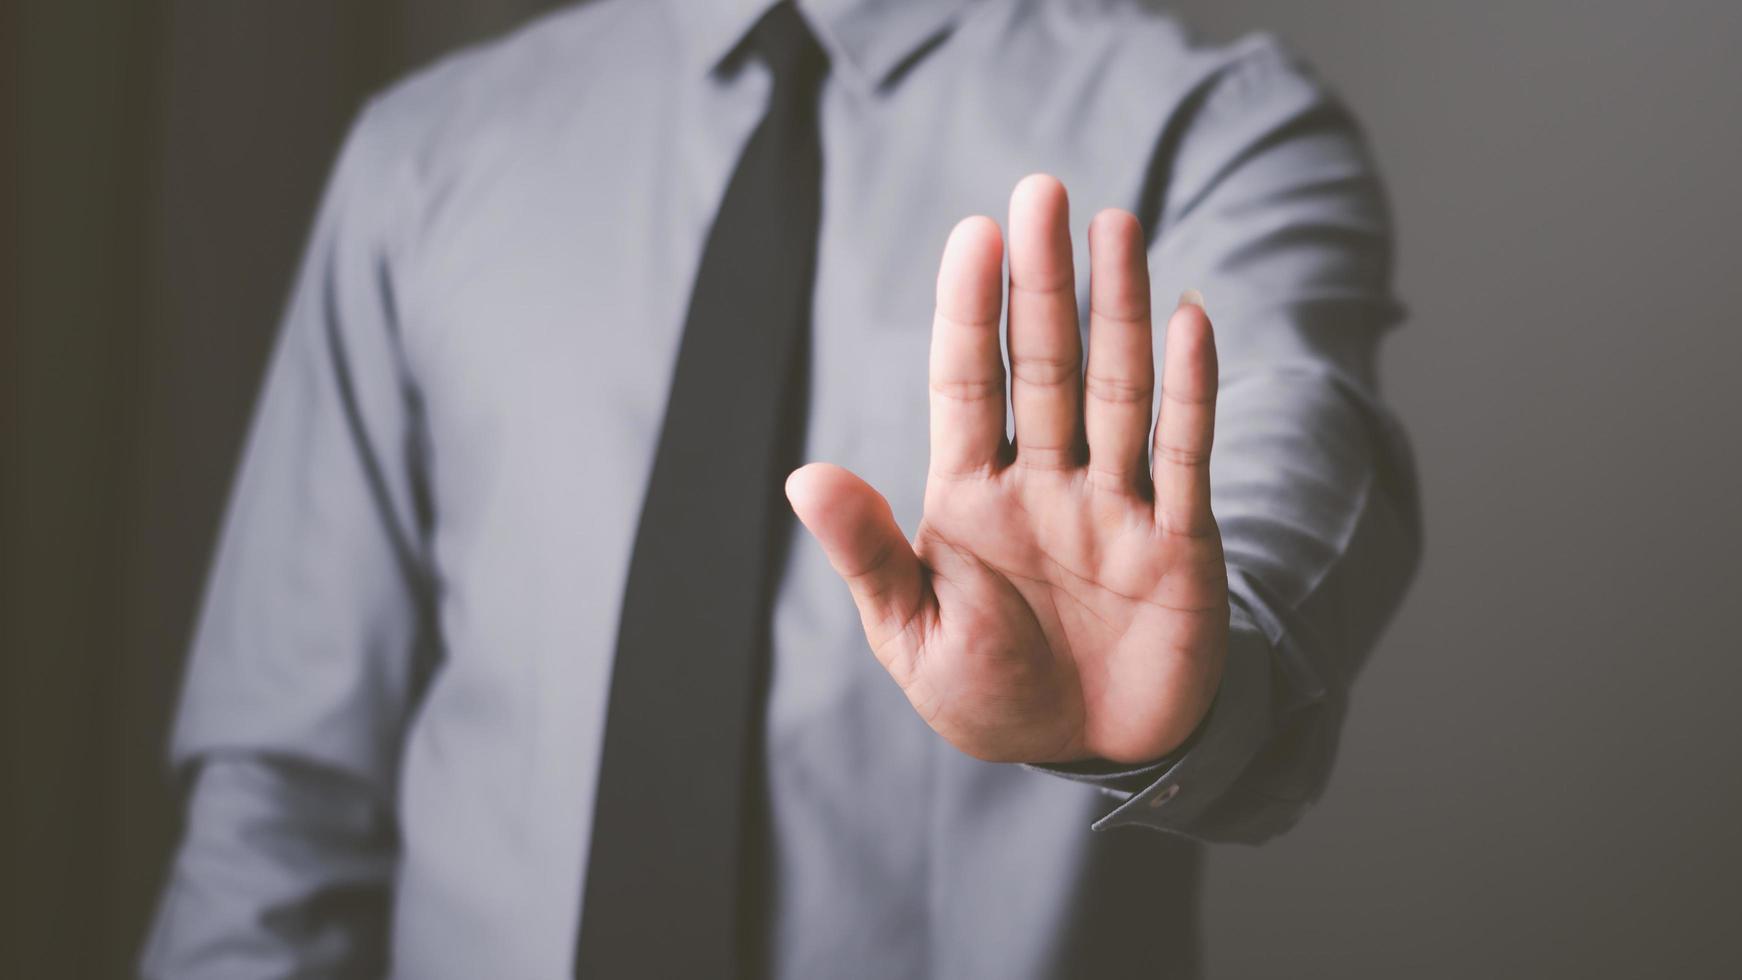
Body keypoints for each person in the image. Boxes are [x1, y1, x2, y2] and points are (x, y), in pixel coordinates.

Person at [142, 0, 1419, 976]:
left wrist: (1203, 678)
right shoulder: (417, 159)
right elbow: (284, 795)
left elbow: (1291, 433)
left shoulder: (1212, 127)